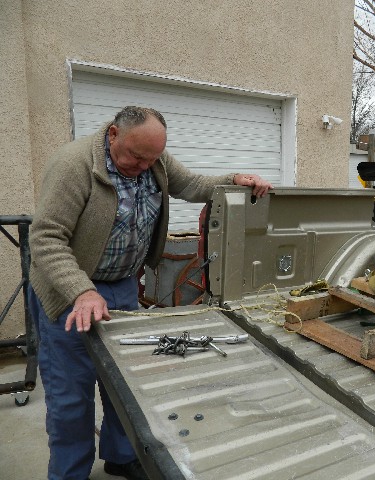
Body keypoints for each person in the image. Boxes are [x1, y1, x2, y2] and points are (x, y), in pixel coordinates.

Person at [28, 106, 272, 480]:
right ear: (113, 135)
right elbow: (46, 238)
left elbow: (191, 185)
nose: (144, 166)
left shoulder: (152, 159)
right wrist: (82, 291)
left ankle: (121, 455)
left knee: (124, 385)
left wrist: (234, 179)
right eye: (136, 157)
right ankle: (68, 473)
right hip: (70, 293)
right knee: (70, 397)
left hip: (123, 285)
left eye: (152, 159)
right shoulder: (74, 165)